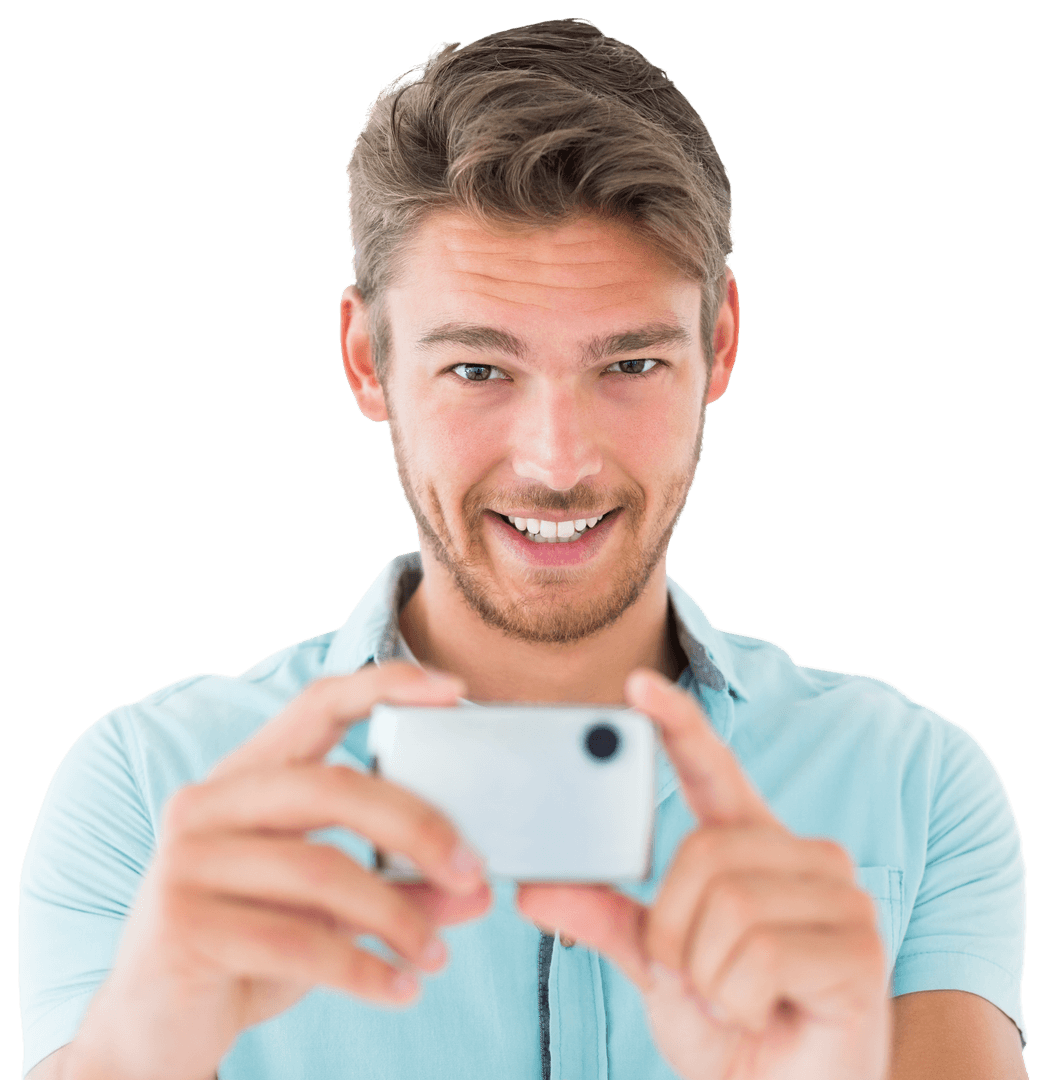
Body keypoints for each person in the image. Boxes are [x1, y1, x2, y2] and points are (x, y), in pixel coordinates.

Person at [19, 19, 1027, 1080]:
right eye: (477, 371)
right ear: (368, 361)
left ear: (719, 343)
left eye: (629, 363)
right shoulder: (148, 795)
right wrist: (141, 1050)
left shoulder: (913, 784)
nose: (556, 462)